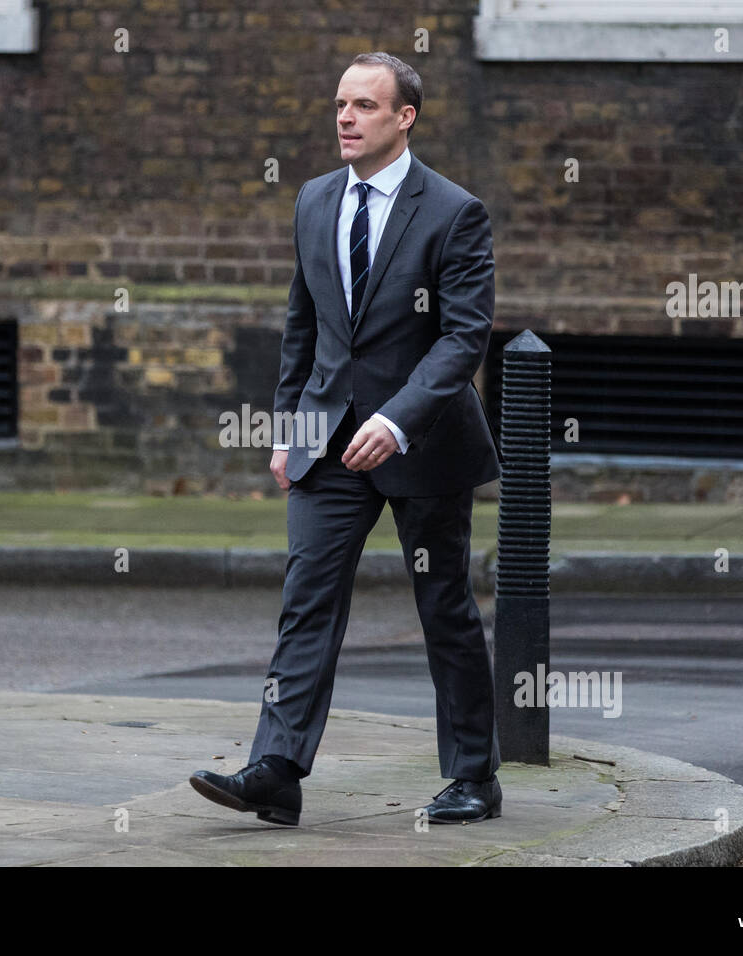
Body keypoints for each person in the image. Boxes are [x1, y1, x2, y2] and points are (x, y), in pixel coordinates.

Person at [189, 52, 502, 826]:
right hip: (326, 442)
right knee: (307, 599)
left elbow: (464, 338)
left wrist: (397, 420)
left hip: (421, 444)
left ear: (405, 118)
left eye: (364, 105)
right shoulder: (314, 200)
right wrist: (292, 427)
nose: (345, 118)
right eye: (339, 104)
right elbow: (307, 325)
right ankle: (278, 768)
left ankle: (474, 777)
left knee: (444, 607)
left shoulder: (454, 212)